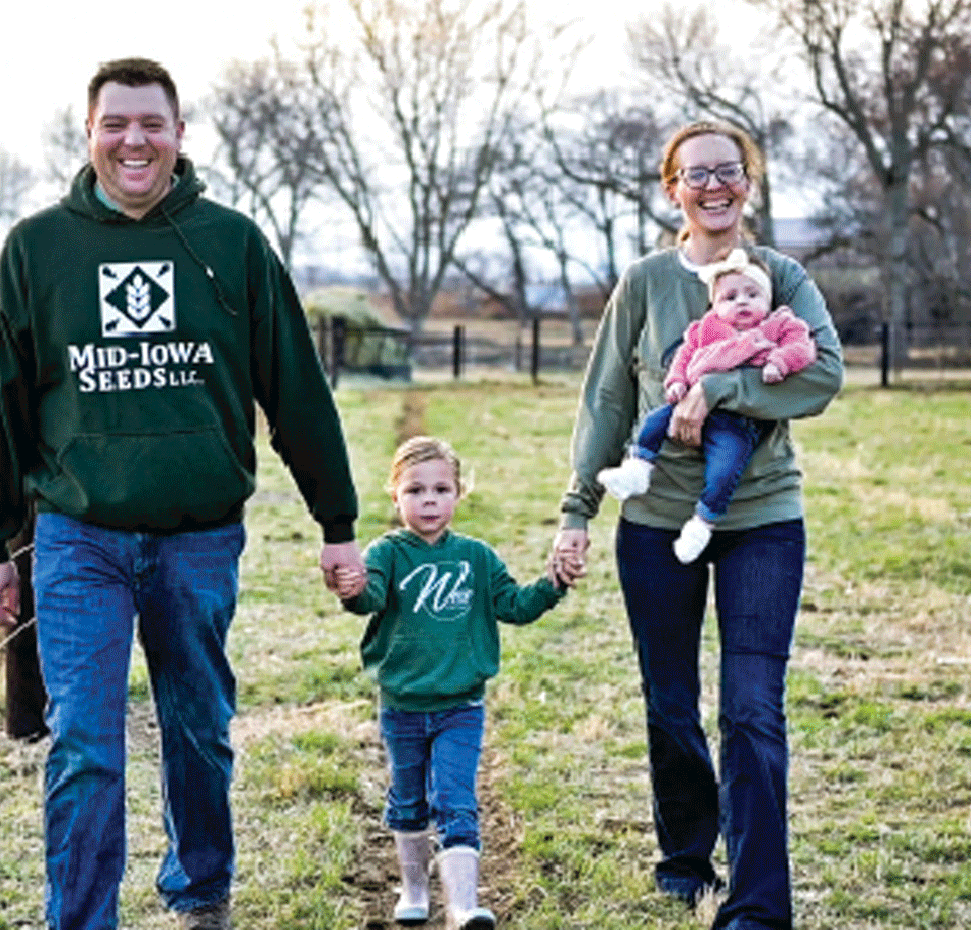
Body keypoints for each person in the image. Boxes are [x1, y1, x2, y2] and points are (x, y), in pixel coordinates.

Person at [0, 57, 365, 930]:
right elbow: (1, 401)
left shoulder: (232, 243)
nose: (134, 140)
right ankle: (82, 919)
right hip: (79, 535)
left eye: (152, 123)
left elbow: (296, 389)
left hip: (198, 536)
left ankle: (200, 889)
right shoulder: (38, 248)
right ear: (89, 133)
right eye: (115, 123)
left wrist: (336, 521)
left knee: (197, 728)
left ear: (180, 134)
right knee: (85, 744)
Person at [549, 119, 843, 930]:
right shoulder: (645, 282)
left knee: (751, 707)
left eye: (729, 170)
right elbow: (607, 399)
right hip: (654, 520)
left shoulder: (782, 276)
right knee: (671, 701)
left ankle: (757, 906)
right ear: (672, 188)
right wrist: (577, 511)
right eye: (696, 173)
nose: (714, 185)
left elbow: (823, 372)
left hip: (761, 517)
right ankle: (685, 856)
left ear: (749, 181)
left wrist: (722, 390)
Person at [335, 436, 565, 930]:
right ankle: (415, 890)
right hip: (402, 706)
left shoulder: (476, 558)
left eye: (441, 489)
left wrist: (553, 584)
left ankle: (463, 905)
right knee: (408, 799)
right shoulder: (388, 553)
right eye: (415, 490)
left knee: (455, 799)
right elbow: (369, 598)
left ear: (460, 494)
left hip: (462, 706)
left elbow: (514, 605)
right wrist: (351, 588)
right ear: (395, 496)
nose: (429, 501)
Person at [597, 247, 817, 563]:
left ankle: (702, 523)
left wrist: (779, 362)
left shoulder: (779, 325)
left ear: (768, 299)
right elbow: (683, 357)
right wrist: (676, 382)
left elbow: (803, 349)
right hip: (686, 405)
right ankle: (638, 468)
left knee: (725, 467)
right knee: (655, 421)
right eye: (730, 297)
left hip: (739, 420)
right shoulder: (705, 329)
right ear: (715, 304)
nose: (742, 302)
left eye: (752, 294)